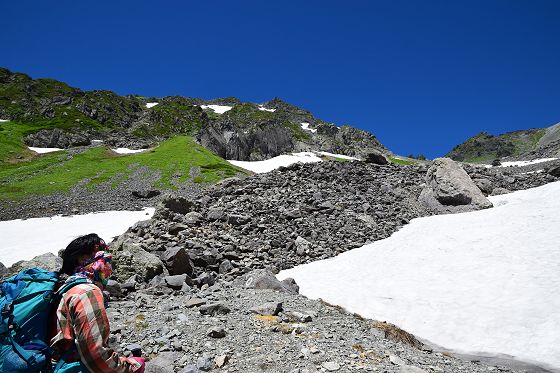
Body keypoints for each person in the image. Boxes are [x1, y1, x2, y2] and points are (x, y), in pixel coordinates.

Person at [49, 233, 145, 373]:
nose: (108, 267)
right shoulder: (86, 292)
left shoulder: (62, 288)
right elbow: (96, 357)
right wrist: (132, 367)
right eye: (104, 258)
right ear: (83, 259)